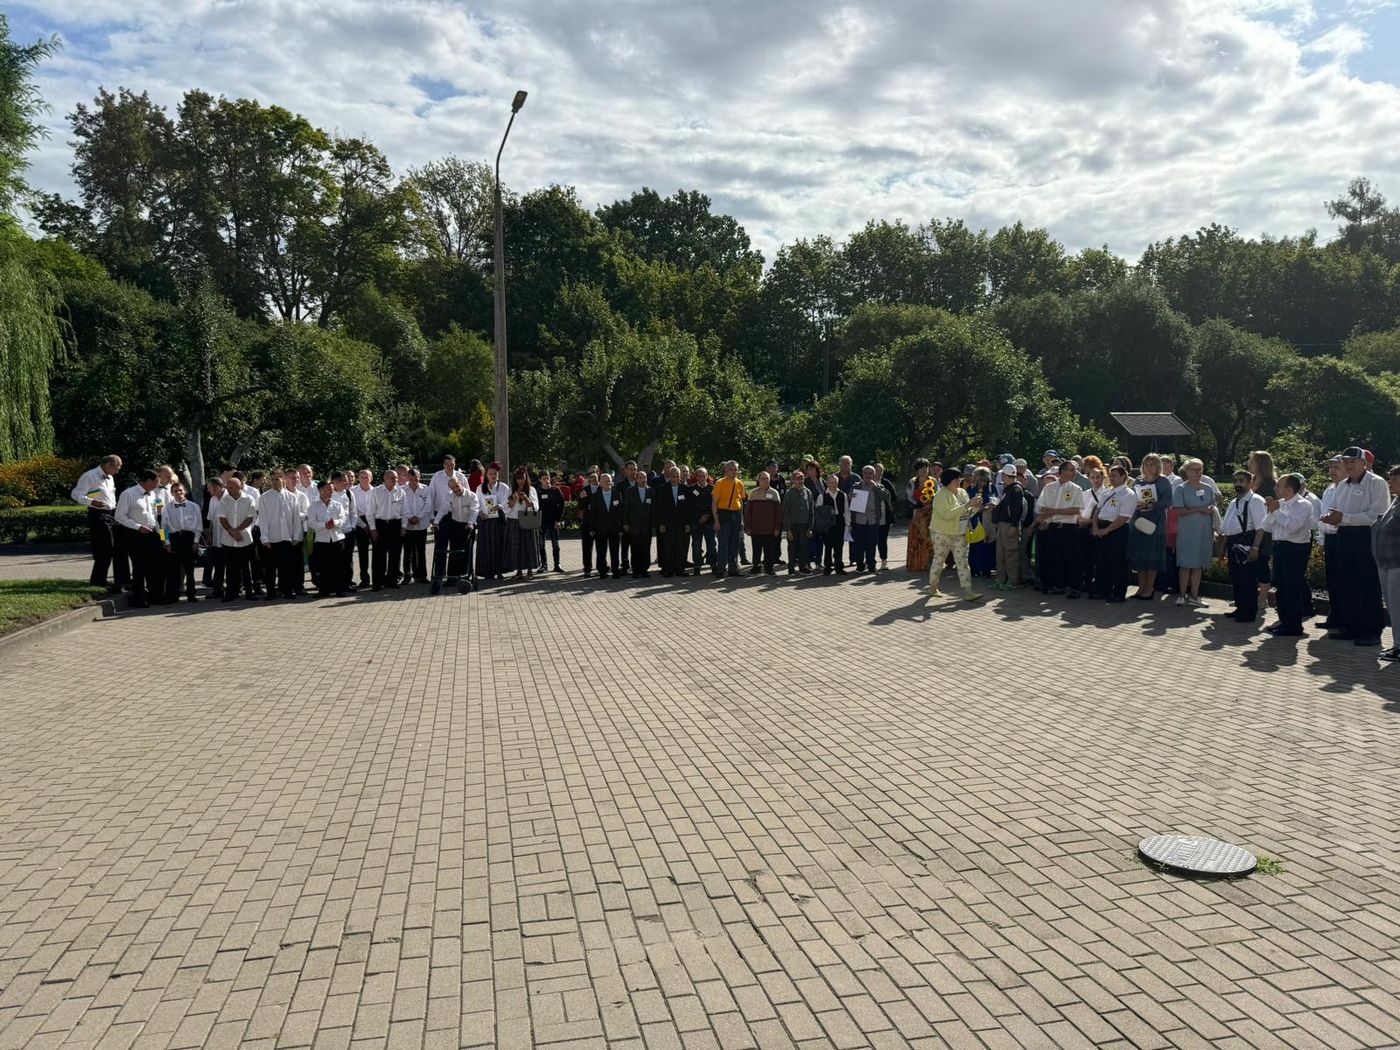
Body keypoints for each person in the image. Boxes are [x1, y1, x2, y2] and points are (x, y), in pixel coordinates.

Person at [1321, 447, 1389, 646]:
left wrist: (1344, 518)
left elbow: (1377, 515)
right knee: (1347, 583)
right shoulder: (1342, 485)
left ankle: (1372, 631)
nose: (1349, 465)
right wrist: (1329, 517)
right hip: (1344, 536)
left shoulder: (1376, 483)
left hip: (1366, 536)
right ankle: (1352, 627)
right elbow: (1336, 510)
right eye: (1346, 461)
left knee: (1368, 584)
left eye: (1353, 461)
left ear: (1364, 463)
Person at [1262, 474, 1316, 637]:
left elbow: (1292, 527)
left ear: (1290, 489)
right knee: (1281, 586)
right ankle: (1284, 620)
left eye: (1278, 486)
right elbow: (1266, 526)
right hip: (1279, 546)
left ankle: (1294, 625)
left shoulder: (1303, 504)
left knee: (1292, 586)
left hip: (1295, 549)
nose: (1275, 488)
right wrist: (1274, 512)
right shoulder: (1281, 503)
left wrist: (1277, 512)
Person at [1221, 469, 1269, 623]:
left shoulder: (1256, 501)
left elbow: (1261, 528)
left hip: (1247, 541)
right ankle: (1240, 607)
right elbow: (1226, 527)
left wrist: (1255, 548)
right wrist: (1222, 547)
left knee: (1248, 579)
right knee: (1236, 578)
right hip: (1233, 542)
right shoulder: (1233, 502)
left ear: (1250, 482)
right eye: (1235, 481)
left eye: (1241, 480)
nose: (1238, 484)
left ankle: (1248, 612)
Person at [72, 454, 125, 591]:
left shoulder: (110, 477)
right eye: (117, 468)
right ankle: (98, 580)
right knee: (104, 547)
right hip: (98, 515)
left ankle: (103, 579)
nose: (117, 471)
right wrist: (91, 501)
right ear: (108, 464)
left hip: (111, 514)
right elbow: (76, 494)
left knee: (114, 547)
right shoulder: (90, 476)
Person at [928, 467, 982, 601]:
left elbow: (968, 513)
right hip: (941, 533)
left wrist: (975, 507)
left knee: (962, 562)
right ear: (948, 480)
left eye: (959, 478)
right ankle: (933, 587)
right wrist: (967, 506)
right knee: (939, 560)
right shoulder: (940, 495)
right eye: (956, 479)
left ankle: (968, 591)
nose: (959, 481)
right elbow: (947, 515)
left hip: (960, 533)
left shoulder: (962, 492)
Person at [1036, 461, 1087, 598]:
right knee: (1055, 557)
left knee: (1072, 558)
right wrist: (1044, 519)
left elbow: (1076, 509)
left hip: (1069, 527)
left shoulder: (1076, 489)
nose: (1074, 472)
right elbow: (1042, 506)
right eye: (1071, 470)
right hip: (1053, 526)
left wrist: (1055, 511)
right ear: (1062, 471)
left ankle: (1075, 587)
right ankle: (1058, 585)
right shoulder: (1049, 487)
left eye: (1075, 470)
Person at [1171, 458, 1217, 609]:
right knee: (1185, 564)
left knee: (1198, 565)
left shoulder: (1208, 488)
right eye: (1194, 469)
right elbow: (1178, 511)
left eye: (1200, 469)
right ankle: (1182, 595)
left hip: (1204, 532)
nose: (1197, 472)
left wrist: (1211, 510)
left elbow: (1213, 507)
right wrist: (1199, 509)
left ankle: (1195, 597)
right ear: (1187, 471)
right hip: (1187, 532)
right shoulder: (1181, 489)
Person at [1128, 453, 1172, 600]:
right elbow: (1132, 497)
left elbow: (1168, 501)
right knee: (1139, 556)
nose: (1149, 467)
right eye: (1146, 464)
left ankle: (1150, 587)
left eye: (1152, 464)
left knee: (1152, 557)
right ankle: (1141, 587)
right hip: (1138, 520)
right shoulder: (1138, 480)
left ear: (1157, 466)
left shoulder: (1163, 481)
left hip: (1155, 522)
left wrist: (1150, 505)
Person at [114, 469, 161, 608]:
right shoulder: (128, 494)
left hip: (153, 533)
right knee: (139, 566)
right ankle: (138, 598)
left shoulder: (153, 494)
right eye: (156, 482)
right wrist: (138, 527)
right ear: (148, 481)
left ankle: (154, 596)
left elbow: (156, 516)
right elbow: (119, 516)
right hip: (136, 535)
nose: (157, 485)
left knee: (154, 566)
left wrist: (162, 535)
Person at [1090, 464, 1136, 602]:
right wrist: (1095, 526)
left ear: (1123, 477)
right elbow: (1097, 510)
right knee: (1102, 561)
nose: (1111, 478)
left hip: (1117, 530)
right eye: (1110, 475)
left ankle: (1118, 593)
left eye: (1114, 476)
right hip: (1101, 528)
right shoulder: (1107, 492)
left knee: (1117, 562)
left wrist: (1107, 530)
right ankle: (1103, 590)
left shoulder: (1129, 494)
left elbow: (1123, 517)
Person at [256, 470, 305, 600]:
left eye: (277, 479)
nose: (274, 482)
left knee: (287, 566)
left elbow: (296, 518)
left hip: (287, 537)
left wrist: (297, 536)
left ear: (283, 479)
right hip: (271, 538)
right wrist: (264, 538)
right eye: (272, 479)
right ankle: (271, 592)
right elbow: (263, 519)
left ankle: (287, 591)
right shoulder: (264, 497)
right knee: (270, 568)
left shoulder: (291, 497)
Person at [431, 476, 479, 594]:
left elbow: (475, 511)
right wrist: (436, 522)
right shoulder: (450, 495)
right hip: (455, 524)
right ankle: (452, 578)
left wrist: (470, 523)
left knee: (466, 551)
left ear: (460, 483)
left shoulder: (471, 496)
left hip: (467, 525)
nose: (456, 490)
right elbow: (443, 509)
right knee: (454, 551)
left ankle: (465, 575)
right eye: (453, 489)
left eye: (457, 487)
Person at [1372, 465, 1400, 660]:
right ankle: (1397, 643)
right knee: (1392, 605)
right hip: (1385, 563)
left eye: (1395, 479)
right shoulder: (1396, 501)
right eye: (1390, 478)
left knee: (1397, 606)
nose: (1390, 482)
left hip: (1397, 562)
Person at [989, 464, 1031, 591]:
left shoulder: (1016, 489)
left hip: (1009, 525)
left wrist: (1014, 525)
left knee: (1011, 553)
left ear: (1006, 476)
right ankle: (1001, 579)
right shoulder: (1007, 488)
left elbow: (1017, 509)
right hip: (1002, 524)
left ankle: (1013, 581)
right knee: (1000, 554)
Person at [160, 481, 203, 603]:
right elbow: (163, 528)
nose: (178, 493)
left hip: (189, 538)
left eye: (180, 490)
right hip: (174, 539)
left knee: (189, 569)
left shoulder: (194, 506)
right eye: (175, 491)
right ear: (172, 493)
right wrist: (166, 542)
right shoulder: (166, 508)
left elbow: (198, 526)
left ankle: (191, 595)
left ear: (185, 492)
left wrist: (196, 541)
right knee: (173, 570)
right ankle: (173, 596)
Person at [217, 475, 258, 602]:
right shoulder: (224, 500)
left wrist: (237, 530)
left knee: (246, 568)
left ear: (239, 487)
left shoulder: (249, 499)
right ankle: (230, 593)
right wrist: (232, 531)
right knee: (230, 568)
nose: (228, 490)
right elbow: (222, 518)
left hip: (244, 538)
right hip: (228, 539)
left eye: (231, 487)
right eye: (227, 487)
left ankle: (249, 592)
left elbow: (250, 518)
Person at [308, 481, 349, 597]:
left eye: (332, 489)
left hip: (337, 539)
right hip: (322, 541)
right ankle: (324, 590)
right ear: (321, 491)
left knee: (339, 565)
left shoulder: (337, 505)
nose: (332, 491)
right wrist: (324, 525)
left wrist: (335, 523)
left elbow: (343, 519)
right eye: (329, 489)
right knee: (323, 566)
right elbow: (311, 523)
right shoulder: (313, 507)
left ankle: (340, 589)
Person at [848, 465, 891, 573]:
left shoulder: (878, 486)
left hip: (873, 520)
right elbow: (848, 500)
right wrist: (850, 497)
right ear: (862, 474)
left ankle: (871, 565)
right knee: (859, 544)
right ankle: (860, 566)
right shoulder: (856, 486)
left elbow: (887, 497)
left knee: (871, 544)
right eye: (865, 473)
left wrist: (875, 487)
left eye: (870, 473)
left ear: (874, 474)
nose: (867, 475)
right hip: (859, 520)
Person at [474, 463, 511, 583]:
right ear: (486, 475)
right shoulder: (480, 487)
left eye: (495, 473)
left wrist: (499, 506)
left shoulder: (504, 487)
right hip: (485, 520)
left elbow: (507, 503)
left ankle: (499, 571)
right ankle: (486, 572)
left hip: (499, 520)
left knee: (499, 546)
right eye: (490, 473)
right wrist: (480, 512)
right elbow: (477, 503)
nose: (493, 475)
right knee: (485, 547)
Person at [743, 471, 784, 575]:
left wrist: (777, 528)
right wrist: (748, 527)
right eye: (763, 478)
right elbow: (748, 512)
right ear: (759, 480)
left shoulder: (774, 493)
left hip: (770, 529)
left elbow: (778, 513)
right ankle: (756, 568)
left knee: (769, 551)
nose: (765, 481)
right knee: (756, 550)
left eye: (767, 478)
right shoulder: (753, 493)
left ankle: (769, 569)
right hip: (755, 528)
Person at [652, 466, 689, 578]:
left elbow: (688, 508)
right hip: (667, 524)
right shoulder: (662, 489)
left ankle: (680, 570)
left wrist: (687, 523)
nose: (675, 479)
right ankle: (668, 570)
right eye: (673, 476)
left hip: (681, 524)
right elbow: (658, 508)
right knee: (667, 548)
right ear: (669, 476)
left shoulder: (685, 489)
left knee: (680, 548)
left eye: (677, 476)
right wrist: (661, 524)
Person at [504, 467, 540, 581]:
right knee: (516, 547)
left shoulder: (531, 490)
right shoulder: (510, 490)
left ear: (526, 477)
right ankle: (519, 571)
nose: (520, 480)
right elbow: (506, 508)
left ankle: (530, 570)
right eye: (518, 478)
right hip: (514, 521)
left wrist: (525, 498)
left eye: (522, 478)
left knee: (529, 546)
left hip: (527, 520)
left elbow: (534, 507)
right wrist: (514, 499)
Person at [712, 461, 746, 578]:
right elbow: (714, 502)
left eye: (735, 469)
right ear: (725, 470)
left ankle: (733, 569)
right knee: (723, 543)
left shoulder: (740, 483)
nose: (733, 471)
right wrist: (716, 521)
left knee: (735, 543)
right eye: (731, 469)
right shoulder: (720, 483)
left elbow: (740, 501)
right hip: (724, 515)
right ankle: (721, 569)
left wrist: (742, 519)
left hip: (736, 515)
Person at [589, 473, 624, 580]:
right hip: (600, 529)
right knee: (601, 552)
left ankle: (615, 571)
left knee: (615, 551)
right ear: (600, 483)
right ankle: (602, 571)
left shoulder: (617, 494)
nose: (608, 483)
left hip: (614, 528)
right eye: (605, 481)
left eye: (609, 481)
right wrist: (592, 528)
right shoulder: (595, 496)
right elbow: (593, 514)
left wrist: (620, 528)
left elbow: (620, 512)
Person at [814, 474, 849, 575]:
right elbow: (818, 512)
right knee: (828, 546)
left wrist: (848, 524)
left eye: (835, 482)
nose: (834, 484)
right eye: (831, 483)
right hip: (827, 524)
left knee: (839, 546)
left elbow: (846, 510)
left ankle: (839, 567)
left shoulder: (843, 495)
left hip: (839, 522)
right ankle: (828, 567)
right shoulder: (822, 496)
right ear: (827, 484)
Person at [965, 466, 995, 578]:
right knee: (974, 544)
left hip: (986, 519)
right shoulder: (971, 488)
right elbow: (966, 503)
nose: (982, 483)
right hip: (974, 519)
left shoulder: (991, 488)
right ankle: (974, 569)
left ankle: (986, 569)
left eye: (984, 480)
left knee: (987, 544)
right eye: (980, 480)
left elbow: (995, 500)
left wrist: (988, 506)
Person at [686, 467, 718, 576]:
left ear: (707, 476)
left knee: (711, 545)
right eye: (699, 476)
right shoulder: (691, 489)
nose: (702, 478)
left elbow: (715, 504)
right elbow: (690, 506)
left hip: (710, 522)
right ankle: (697, 565)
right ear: (696, 477)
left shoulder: (712, 488)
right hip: (696, 522)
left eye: (704, 476)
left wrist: (708, 517)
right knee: (696, 545)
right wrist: (699, 517)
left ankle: (713, 565)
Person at [905, 459, 935, 574]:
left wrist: (930, 504)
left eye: (926, 468)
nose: (924, 470)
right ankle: (916, 563)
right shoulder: (912, 482)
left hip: (931, 513)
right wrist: (920, 505)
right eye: (921, 468)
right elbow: (909, 497)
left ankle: (929, 563)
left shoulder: (934, 481)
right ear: (917, 470)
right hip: (917, 513)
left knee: (929, 538)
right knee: (916, 538)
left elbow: (938, 494)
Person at [782, 470, 814, 574]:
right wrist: (788, 530)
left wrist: (810, 527)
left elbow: (811, 511)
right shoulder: (789, 493)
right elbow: (786, 512)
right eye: (798, 478)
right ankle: (791, 568)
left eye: (802, 478)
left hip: (804, 525)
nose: (800, 480)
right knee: (792, 548)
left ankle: (803, 567)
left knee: (803, 547)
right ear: (793, 480)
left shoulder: (808, 492)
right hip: (792, 525)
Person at [536, 471, 565, 573]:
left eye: (548, 478)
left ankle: (557, 564)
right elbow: (535, 506)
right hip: (541, 521)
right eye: (544, 478)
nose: (547, 480)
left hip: (554, 521)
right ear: (540, 480)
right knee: (541, 544)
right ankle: (544, 565)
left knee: (555, 544)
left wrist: (558, 520)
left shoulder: (556, 490)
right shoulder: (538, 492)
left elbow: (562, 505)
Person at [352, 469, 376, 588]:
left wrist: (372, 526)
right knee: (362, 553)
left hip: (374, 521)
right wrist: (363, 525)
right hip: (359, 522)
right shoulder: (353, 491)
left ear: (371, 478)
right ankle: (364, 579)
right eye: (362, 477)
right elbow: (353, 511)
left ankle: (377, 578)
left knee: (377, 552)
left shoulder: (376, 491)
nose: (365, 479)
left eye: (367, 477)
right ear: (358, 478)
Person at [576, 471, 600, 577]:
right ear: (589, 480)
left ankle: (601, 567)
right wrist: (582, 498)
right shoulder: (585, 490)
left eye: (595, 478)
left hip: (600, 522)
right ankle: (587, 569)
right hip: (587, 522)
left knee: (601, 547)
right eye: (591, 478)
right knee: (587, 547)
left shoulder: (602, 489)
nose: (594, 480)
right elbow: (580, 506)